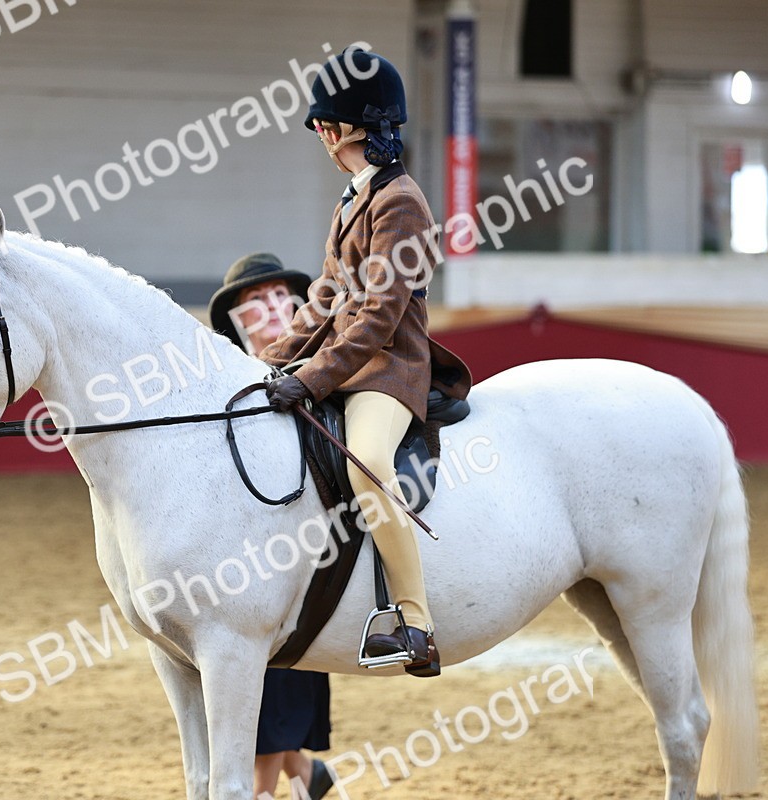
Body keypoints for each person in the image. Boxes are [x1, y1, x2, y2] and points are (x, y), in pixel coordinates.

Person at [258, 49, 473, 678]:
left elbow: (379, 317)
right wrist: (263, 362)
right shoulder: (354, 198)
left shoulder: (401, 201)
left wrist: (311, 377)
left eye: (325, 124)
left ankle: (415, 620)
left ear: (345, 129)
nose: (320, 136)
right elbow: (323, 299)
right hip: (345, 362)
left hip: (387, 369)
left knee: (370, 464)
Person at [209, 253, 335, 800]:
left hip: (307, 554)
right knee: (255, 678)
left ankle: (279, 785)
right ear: (236, 319)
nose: (272, 308)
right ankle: (304, 776)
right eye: (256, 301)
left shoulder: (323, 362)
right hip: (242, 561)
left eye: (281, 295)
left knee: (272, 679)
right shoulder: (221, 387)